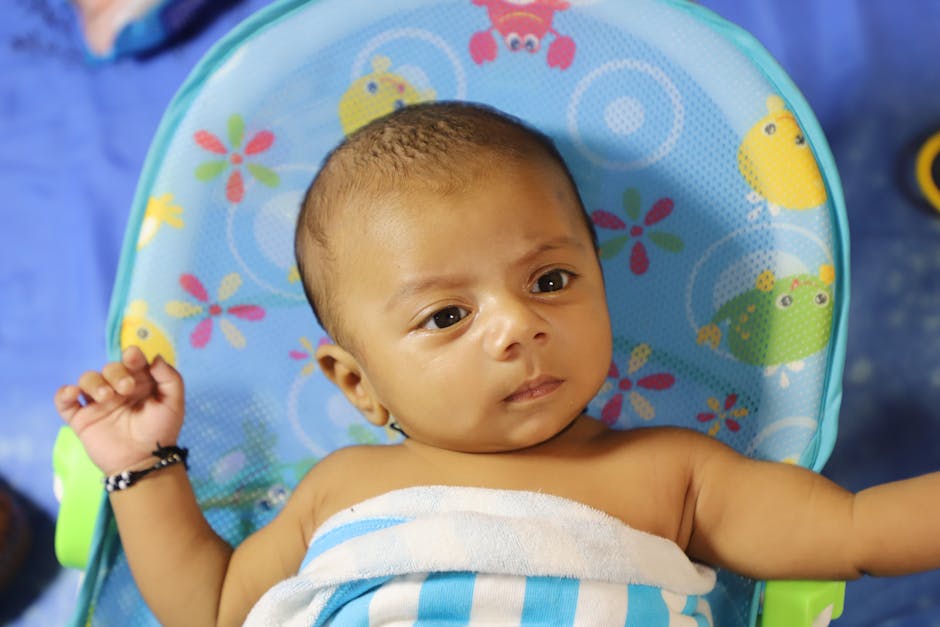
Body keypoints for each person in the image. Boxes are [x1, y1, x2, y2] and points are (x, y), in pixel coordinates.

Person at [55, 102, 940, 626]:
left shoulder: (673, 474)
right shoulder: (341, 487)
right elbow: (211, 609)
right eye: (447, 314)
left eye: (550, 279)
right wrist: (142, 463)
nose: (518, 325)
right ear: (357, 383)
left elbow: (859, 528)